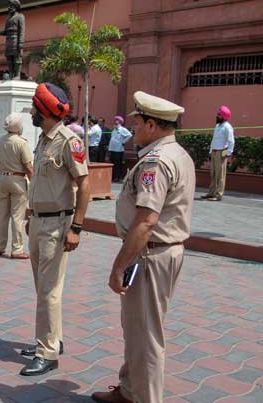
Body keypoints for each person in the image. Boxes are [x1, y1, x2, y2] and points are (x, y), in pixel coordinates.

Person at [92, 92, 195, 403]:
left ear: (151, 125)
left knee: (147, 336)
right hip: (159, 251)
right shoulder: (177, 153)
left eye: (137, 122)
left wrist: (119, 265)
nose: (133, 128)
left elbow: (147, 220)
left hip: (150, 253)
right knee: (137, 327)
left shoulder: (156, 162)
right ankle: (129, 390)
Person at [20, 83, 90, 376]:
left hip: (56, 225)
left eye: (36, 108)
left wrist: (77, 227)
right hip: (39, 221)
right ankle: (53, 338)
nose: (33, 112)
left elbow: (84, 184)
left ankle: (47, 352)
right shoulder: (44, 139)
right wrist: (30, 213)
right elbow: (40, 182)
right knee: (43, 288)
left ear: (46, 111)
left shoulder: (67, 141)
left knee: (49, 291)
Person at [0, 113, 33, 259]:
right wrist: (34, 183)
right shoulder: (22, 143)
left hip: (3, 178)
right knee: (17, 217)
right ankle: (17, 249)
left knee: (2, 215)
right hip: (18, 180)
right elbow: (28, 167)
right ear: (19, 127)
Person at [203, 105, 234, 202]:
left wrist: (228, 153)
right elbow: (214, 139)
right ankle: (211, 193)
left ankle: (218, 195)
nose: (217, 116)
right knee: (213, 174)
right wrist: (210, 150)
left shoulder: (227, 127)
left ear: (224, 116)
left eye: (219, 114)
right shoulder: (217, 126)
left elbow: (231, 141)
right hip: (214, 152)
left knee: (220, 175)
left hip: (221, 152)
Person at [108, 116, 132, 182]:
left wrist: (123, 142)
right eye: (115, 121)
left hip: (118, 150)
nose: (115, 122)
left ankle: (117, 177)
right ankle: (113, 177)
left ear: (120, 122)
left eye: (117, 121)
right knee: (112, 163)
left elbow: (129, 135)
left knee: (117, 164)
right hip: (112, 149)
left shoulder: (122, 129)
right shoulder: (114, 130)